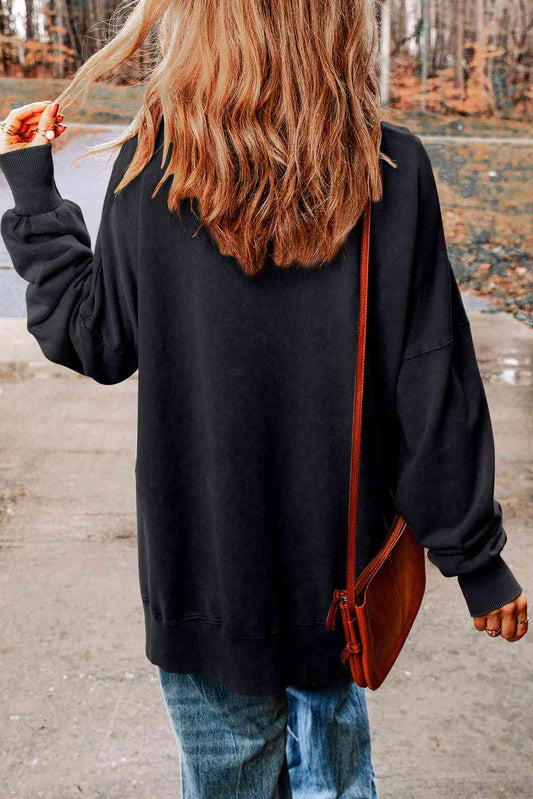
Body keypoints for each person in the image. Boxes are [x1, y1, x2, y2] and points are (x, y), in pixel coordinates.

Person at [0, 1, 528, 796]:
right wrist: (476, 562)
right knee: (335, 779)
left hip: (203, 582)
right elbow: (429, 383)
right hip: (338, 585)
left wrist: (35, 193)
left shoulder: (155, 167)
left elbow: (94, 338)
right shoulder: (388, 169)